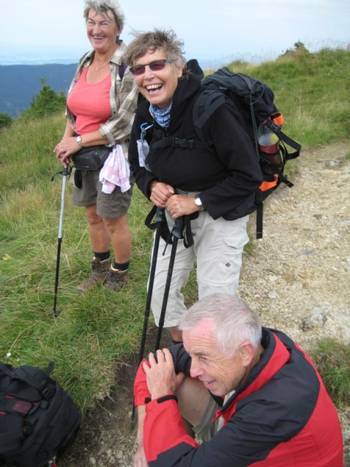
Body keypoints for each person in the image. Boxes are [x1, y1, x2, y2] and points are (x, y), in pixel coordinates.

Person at [125, 30, 262, 342]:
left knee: (216, 306)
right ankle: (186, 348)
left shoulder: (212, 108)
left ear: (179, 66)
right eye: (138, 69)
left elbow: (248, 175)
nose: (148, 76)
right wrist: (152, 185)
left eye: (157, 65)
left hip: (220, 213)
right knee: (159, 297)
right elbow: (137, 164)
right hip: (174, 212)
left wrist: (197, 202)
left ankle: (221, 371)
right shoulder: (145, 113)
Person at [133, 294, 344, 467]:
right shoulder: (261, 344)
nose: (194, 369)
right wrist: (145, 437)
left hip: (264, 444)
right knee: (170, 380)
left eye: (203, 357)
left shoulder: (273, 410)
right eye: (191, 354)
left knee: (167, 391)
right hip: (249, 436)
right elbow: (151, 365)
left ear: (245, 353)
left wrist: (161, 398)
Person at [54, 0, 138, 292]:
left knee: (112, 218)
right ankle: (99, 268)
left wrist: (77, 141)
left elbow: (123, 123)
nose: (96, 29)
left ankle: (120, 272)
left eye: (104, 23)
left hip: (113, 156)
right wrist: (68, 139)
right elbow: (73, 109)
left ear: (117, 28)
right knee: (92, 216)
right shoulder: (86, 61)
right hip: (84, 155)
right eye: (91, 22)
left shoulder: (127, 66)